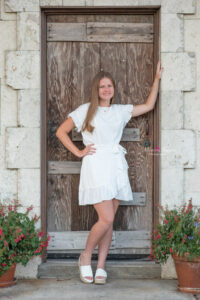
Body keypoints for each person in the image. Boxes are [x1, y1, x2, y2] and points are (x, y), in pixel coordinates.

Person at [56, 61, 164, 284]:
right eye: (102, 86)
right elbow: (61, 131)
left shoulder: (120, 110)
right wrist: (78, 151)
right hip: (96, 164)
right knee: (106, 217)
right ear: (96, 90)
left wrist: (156, 79)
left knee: (110, 219)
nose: (106, 90)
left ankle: (101, 266)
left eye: (109, 86)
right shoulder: (85, 110)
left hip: (116, 164)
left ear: (113, 89)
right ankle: (86, 256)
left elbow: (148, 106)